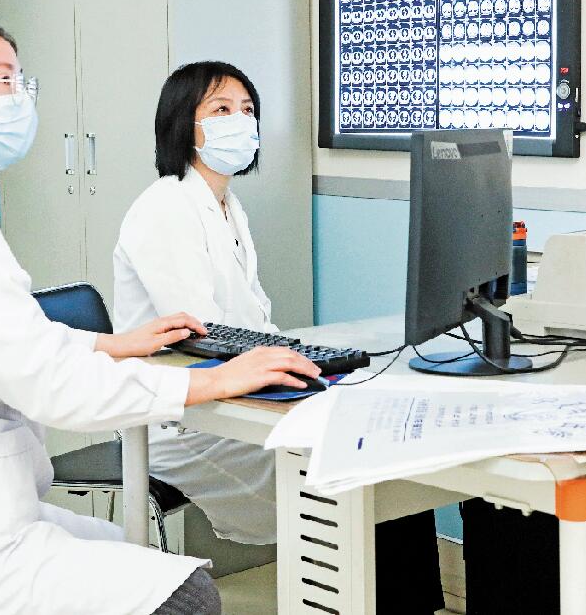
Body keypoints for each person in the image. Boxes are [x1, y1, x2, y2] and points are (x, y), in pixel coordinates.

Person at [0, 12, 319, 615]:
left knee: (127, 551)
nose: (20, 98)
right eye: (3, 80)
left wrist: (107, 344)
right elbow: (47, 381)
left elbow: (4, 337)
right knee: (188, 597)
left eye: (21, 81)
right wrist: (209, 381)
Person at [113, 61, 444, 613]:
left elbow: (253, 321)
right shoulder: (164, 208)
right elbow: (203, 333)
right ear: (182, 124)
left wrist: (305, 361)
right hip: (185, 419)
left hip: (231, 393)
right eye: (221, 110)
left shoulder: (226, 205)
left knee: (376, 451)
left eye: (247, 110)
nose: (240, 121)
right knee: (347, 464)